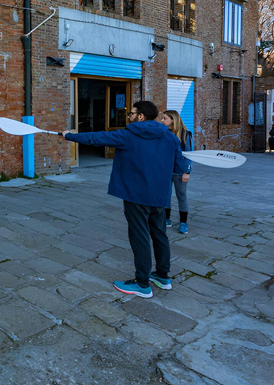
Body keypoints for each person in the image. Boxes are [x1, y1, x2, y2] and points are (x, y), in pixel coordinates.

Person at [62, 100, 186, 299]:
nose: (129, 116)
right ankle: (163, 276)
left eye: (132, 113)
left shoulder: (129, 135)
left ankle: (142, 283)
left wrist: (69, 135)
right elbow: (180, 168)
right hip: (160, 196)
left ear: (141, 116)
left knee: (140, 237)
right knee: (160, 235)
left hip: (136, 196)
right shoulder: (171, 138)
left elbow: (96, 138)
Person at [159, 110, 193, 234]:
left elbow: (189, 155)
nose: (162, 121)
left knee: (181, 196)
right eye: (162, 118)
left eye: (164, 119)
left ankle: (183, 223)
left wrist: (187, 172)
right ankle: (167, 219)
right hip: (166, 171)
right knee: (166, 195)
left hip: (180, 171)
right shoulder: (163, 134)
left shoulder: (185, 134)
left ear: (173, 120)